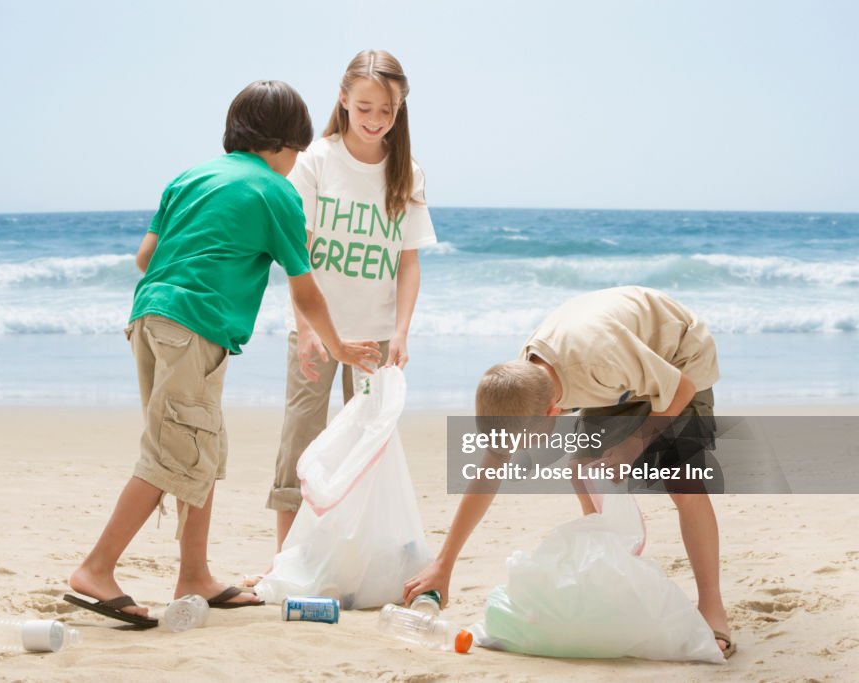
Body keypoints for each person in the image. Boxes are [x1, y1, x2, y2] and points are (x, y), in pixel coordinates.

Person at [65, 80, 382, 626]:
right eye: (296, 154)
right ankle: (96, 568)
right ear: (289, 144)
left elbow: (147, 257)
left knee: (199, 448)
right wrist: (339, 347)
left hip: (149, 319)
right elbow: (304, 288)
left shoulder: (190, 177)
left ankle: (194, 575)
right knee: (172, 452)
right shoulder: (274, 192)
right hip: (194, 330)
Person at [404, 286, 736, 658]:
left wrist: (632, 446)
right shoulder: (520, 382)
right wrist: (443, 565)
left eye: (527, 442)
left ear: (552, 413)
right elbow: (489, 470)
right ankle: (610, 567)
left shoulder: (597, 364)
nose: (524, 451)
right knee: (584, 469)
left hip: (677, 357)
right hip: (623, 372)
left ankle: (712, 606)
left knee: (684, 484)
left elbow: (681, 390)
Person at [245, 50, 437, 585]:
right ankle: (287, 559)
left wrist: (400, 331)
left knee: (367, 446)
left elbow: (408, 261)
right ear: (343, 100)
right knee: (301, 439)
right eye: (365, 108)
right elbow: (297, 254)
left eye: (387, 111)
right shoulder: (316, 161)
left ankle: (355, 555)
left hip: (376, 337)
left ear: (400, 110)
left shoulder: (408, 173)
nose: (375, 120)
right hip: (317, 331)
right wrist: (307, 330)